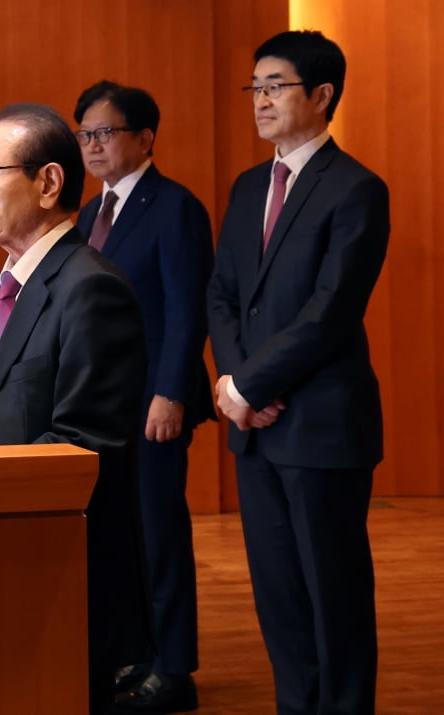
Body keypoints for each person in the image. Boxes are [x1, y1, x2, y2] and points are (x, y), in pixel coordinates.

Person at [0, 103, 150, 715]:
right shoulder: (5, 287)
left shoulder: (91, 288)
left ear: (47, 184)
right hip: (3, 560)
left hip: (61, 576)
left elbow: (81, 448)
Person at [207, 30, 388, 714]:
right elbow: (222, 292)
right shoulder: (249, 185)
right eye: (255, 86)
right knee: (279, 596)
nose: (260, 99)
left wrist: (250, 386)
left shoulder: (357, 189)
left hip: (319, 425)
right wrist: (232, 388)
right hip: (253, 426)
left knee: (333, 594)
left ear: (322, 95)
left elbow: (330, 312)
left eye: (275, 86)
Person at [73, 81, 215, 713]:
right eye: (84, 135)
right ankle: (136, 652)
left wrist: (169, 393)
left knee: (159, 532)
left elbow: (187, 310)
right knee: (118, 532)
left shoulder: (175, 206)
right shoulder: (85, 213)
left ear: (144, 138)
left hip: (154, 401)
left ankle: (175, 668)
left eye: (104, 133)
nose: (92, 146)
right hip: (101, 404)